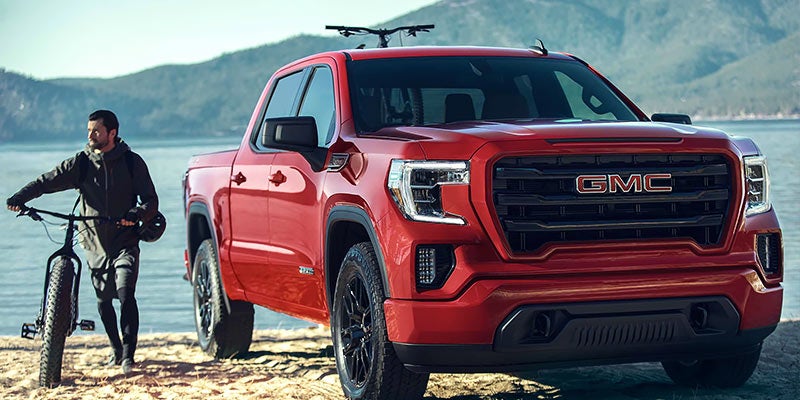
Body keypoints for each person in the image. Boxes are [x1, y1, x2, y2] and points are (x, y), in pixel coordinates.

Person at [6, 110, 158, 374]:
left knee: (125, 293)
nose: (90, 135)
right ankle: (115, 348)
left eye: (96, 131)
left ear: (112, 133)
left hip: (125, 240)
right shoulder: (82, 163)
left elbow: (150, 201)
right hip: (94, 241)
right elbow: (48, 181)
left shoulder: (133, 163)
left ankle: (128, 357)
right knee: (103, 300)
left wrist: (135, 214)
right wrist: (21, 197)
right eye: (88, 130)